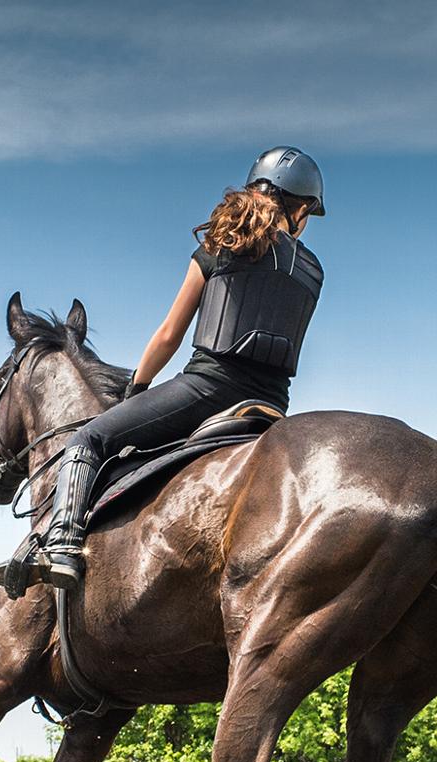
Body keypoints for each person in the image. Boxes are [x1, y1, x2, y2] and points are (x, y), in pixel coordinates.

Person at [23, 146, 324, 591]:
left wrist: (138, 387)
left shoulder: (223, 245)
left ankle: (62, 544)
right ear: (299, 207)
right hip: (272, 405)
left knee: (89, 438)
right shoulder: (313, 270)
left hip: (209, 390)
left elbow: (169, 335)